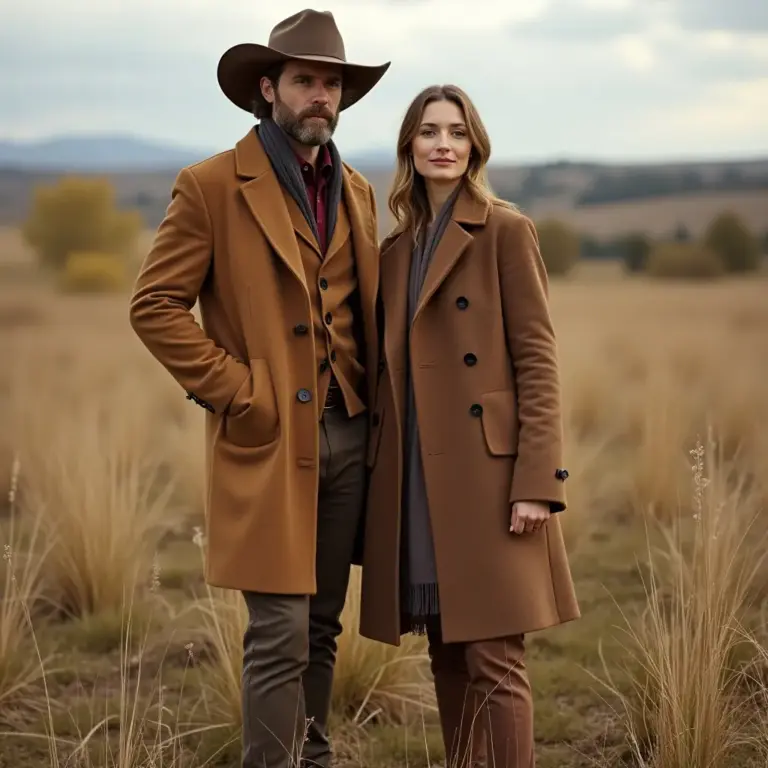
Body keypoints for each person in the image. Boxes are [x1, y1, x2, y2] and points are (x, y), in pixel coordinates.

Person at [128, 10, 389, 768]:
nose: (321, 96)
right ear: (268, 88)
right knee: (277, 632)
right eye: (306, 80)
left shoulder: (360, 191)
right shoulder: (211, 185)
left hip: (350, 435)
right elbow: (154, 307)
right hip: (267, 437)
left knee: (319, 628)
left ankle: (315, 757)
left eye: (332, 84)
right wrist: (240, 389)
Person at [358, 84, 581, 768]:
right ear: (410, 148)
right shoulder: (395, 252)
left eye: (456, 131)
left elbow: (538, 363)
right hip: (418, 478)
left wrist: (536, 479)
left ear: (474, 145)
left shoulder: (506, 231)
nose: (444, 144)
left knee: (495, 657)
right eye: (429, 132)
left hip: (489, 479)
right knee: (448, 651)